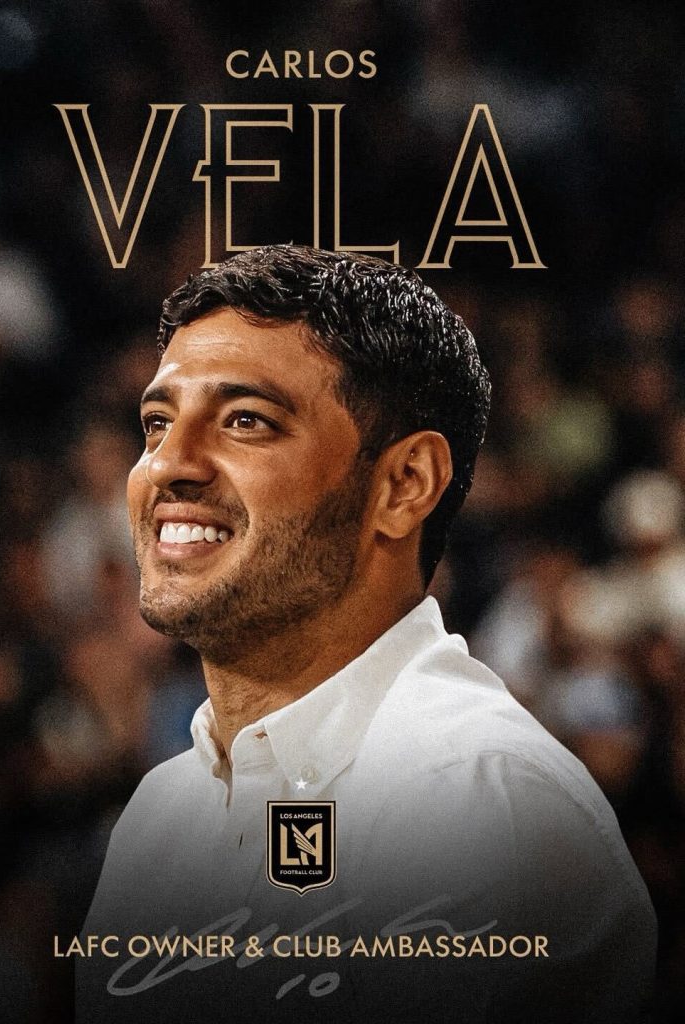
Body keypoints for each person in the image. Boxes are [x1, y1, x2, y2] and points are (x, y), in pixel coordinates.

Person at [77, 245, 655, 1024]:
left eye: (246, 420)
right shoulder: (159, 818)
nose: (166, 464)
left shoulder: (480, 799)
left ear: (404, 485)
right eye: (156, 423)